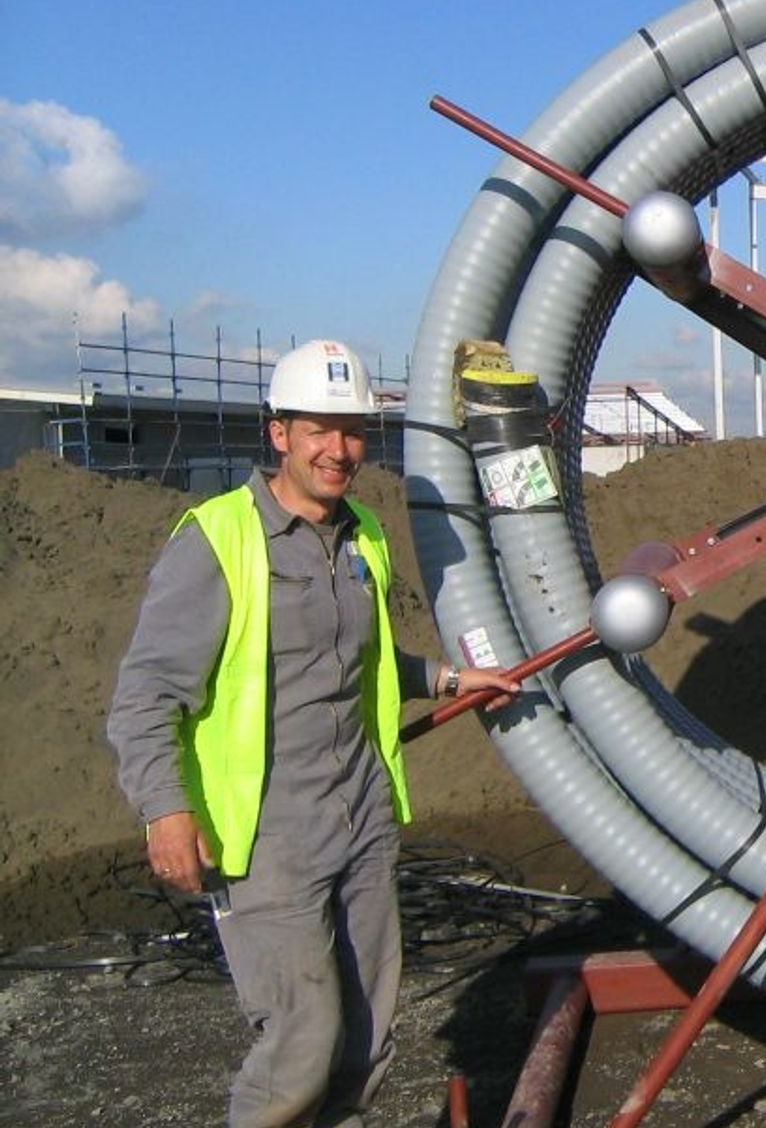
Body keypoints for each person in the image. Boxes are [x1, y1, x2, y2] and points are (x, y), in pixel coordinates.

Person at [107, 339, 520, 1128]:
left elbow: (360, 660)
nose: (338, 449)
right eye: (319, 430)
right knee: (301, 1044)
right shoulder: (218, 539)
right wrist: (166, 810)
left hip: (359, 817)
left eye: (353, 431)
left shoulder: (363, 534)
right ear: (280, 433)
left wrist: (448, 679)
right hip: (270, 835)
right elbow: (146, 694)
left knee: (365, 1039)